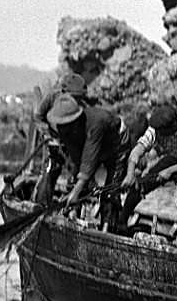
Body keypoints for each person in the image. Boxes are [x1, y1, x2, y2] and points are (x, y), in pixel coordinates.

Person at [120, 104, 177, 247]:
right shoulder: (156, 128)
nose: (159, 135)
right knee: (142, 182)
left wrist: (170, 171)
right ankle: (121, 222)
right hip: (173, 155)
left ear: (173, 126)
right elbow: (138, 149)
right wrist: (130, 173)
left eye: (162, 133)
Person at [45, 93, 125, 230]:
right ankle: (72, 217)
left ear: (74, 122)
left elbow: (89, 159)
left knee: (110, 190)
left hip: (116, 146)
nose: (62, 129)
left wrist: (77, 191)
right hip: (95, 149)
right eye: (60, 126)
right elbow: (78, 161)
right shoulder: (66, 131)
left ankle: (108, 228)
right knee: (74, 185)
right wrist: (76, 190)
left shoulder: (95, 124)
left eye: (65, 126)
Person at [32, 73, 94, 205]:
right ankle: (42, 205)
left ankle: (71, 205)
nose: (76, 102)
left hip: (71, 142)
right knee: (51, 168)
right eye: (74, 97)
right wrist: (47, 135)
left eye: (79, 98)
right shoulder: (52, 97)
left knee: (76, 171)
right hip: (53, 139)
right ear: (64, 92)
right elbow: (38, 116)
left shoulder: (84, 104)